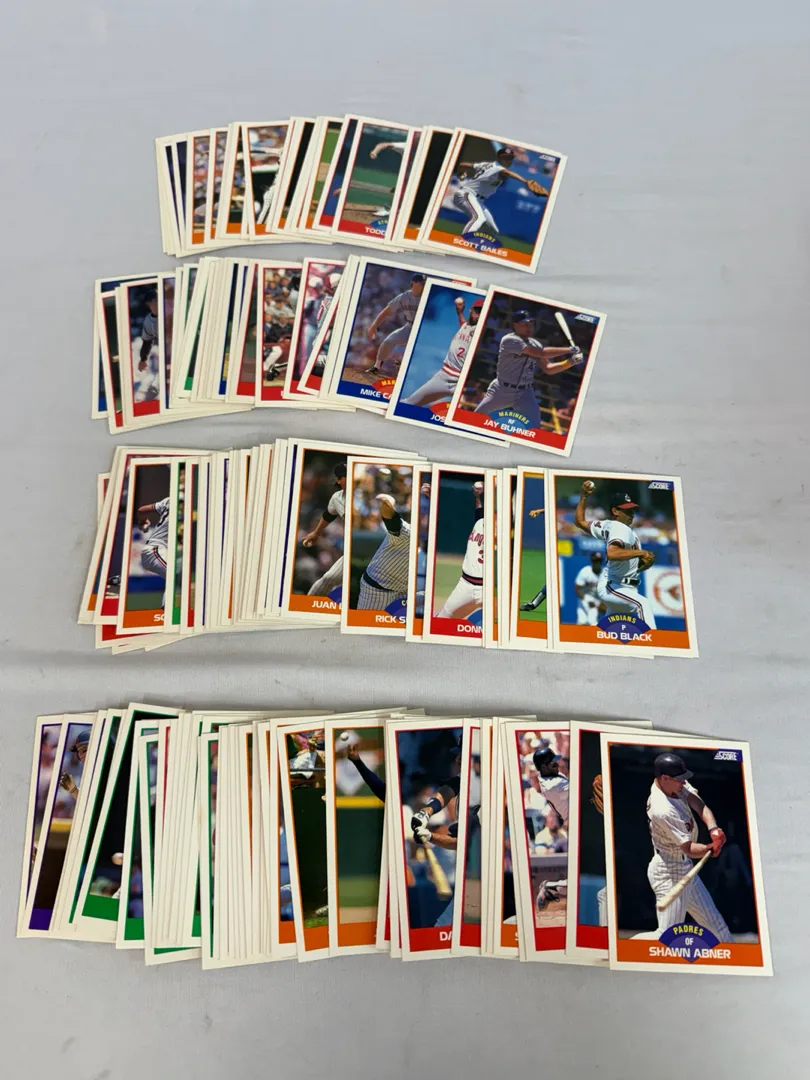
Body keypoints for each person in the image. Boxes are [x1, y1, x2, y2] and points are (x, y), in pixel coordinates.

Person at [644, 752, 730, 939]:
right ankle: (625, 948)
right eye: (679, 779)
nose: (683, 782)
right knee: (667, 938)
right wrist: (709, 848)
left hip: (684, 867)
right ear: (665, 778)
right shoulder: (662, 808)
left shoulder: (672, 784)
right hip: (669, 871)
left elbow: (698, 804)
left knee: (718, 928)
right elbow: (689, 849)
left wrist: (713, 829)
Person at [472, 311, 582, 430]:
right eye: (524, 324)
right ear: (515, 325)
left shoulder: (535, 343)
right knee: (475, 419)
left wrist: (571, 362)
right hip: (502, 389)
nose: (529, 327)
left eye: (531, 323)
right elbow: (542, 353)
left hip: (524, 393)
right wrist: (569, 350)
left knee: (534, 428)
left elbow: (548, 368)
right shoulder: (510, 340)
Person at [572, 483, 657, 628]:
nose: (631, 514)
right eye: (627, 510)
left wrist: (584, 496)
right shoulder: (620, 528)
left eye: (632, 510)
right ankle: (654, 641)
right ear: (615, 511)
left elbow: (579, 522)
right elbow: (612, 553)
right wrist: (641, 552)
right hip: (614, 587)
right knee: (642, 604)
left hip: (624, 587)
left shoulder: (608, 525)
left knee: (608, 630)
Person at [452, 146, 547, 240]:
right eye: (506, 158)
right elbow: (508, 173)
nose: (509, 161)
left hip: (476, 199)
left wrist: (461, 173)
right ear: (500, 158)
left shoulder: (486, 164)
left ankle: (482, 245)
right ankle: (464, 241)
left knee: (492, 229)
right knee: (479, 218)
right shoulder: (498, 168)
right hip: (467, 195)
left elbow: (463, 165)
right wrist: (525, 181)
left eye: (510, 158)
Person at [403, 297, 483, 407]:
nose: (478, 315)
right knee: (409, 403)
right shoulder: (465, 326)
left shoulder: (478, 330)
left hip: (460, 381)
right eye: (477, 311)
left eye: (482, 313)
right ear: (471, 310)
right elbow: (464, 324)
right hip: (444, 375)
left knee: (462, 411)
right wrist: (459, 312)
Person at [436, 482, 484, 621]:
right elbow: (480, 511)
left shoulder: (502, 530)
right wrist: (478, 496)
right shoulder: (480, 521)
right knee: (441, 623)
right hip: (465, 585)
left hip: (489, 589)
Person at [356, 494, 411, 612]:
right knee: (366, 624)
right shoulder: (407, 532)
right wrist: (385, 503)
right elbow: (390, 518)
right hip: (377, 591)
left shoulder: (430, 541)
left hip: (403, 591)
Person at [365, 274, 426, 377]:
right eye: (421, 283)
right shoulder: (404, 296)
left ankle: (406, 365)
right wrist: (374, 325)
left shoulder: (427, 297)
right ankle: (377, 367)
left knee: (418, 351)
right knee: (388, 341)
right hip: (410, 326)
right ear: (414, 283)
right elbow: (387, 311)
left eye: (424, 284)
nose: (424, 285)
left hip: (423, 329)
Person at [303, 462, 346, 597]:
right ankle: (306, 604)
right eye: (346, 476)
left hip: (372, 549)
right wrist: (316, 532)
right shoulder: (337, 497)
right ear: (339, 480)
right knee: (329, 579)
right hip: (351, 550)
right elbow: (328, 514)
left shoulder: (361, 495)